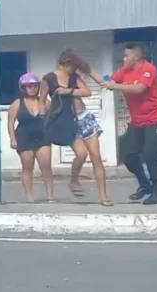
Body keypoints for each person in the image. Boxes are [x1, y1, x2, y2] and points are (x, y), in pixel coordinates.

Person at [93, 43, 157, 205]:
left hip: (156, 119)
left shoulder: (148, 69)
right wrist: (84, 67)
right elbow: (106, 81)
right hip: (138, 122)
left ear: (137, 57)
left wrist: (116, 86)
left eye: (127, 56)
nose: (124, 58)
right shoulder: (124, 71)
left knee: (150, 154)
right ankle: (145, 185)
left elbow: (140, 88)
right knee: (127, 155)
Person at [41, 50, 113, 206]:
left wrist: (69, 91)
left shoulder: (74, 77)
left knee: (96, 157)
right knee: (81, 154)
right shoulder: (48, 79)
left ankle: (103, 196)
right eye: (72, 66)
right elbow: (42, 100)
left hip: (84, 118)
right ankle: (74, 179)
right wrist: (46, 119)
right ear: (64, 63)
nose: (74, 69)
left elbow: (87, 91)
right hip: (68, 121)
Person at [7, 73, 53, 202]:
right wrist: (13, 139)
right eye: (29, 86)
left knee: (46, 166)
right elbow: (10, 123)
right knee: (27, 167)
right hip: (24, 137)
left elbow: (53, 117)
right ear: (23, 87)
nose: (33, 88)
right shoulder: (17, 103)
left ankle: (50, 195)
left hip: (43, 137)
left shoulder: (44, 101)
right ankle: (29, 196)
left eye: (35, 86)